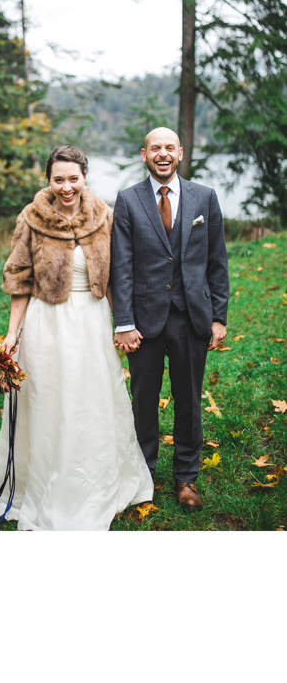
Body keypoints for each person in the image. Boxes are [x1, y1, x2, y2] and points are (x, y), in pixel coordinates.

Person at [0, 145, 153, 529]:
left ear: (84, 178)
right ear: (48, 179)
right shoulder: (30, 218)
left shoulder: (104, 216)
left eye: (73, 179)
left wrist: (123, 323)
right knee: (49, 399)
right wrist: (12, 333)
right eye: (58, 179)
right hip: (47, 321)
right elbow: (20, 280)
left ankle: (95, 480)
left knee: (91, 398)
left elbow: (116, 276)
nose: (66, 187)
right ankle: (44, 481)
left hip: (92, 320)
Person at [110, 127, 229, 511]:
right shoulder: (128, 200)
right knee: (143, 400)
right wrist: (124, 322)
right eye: (155, 148)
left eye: (169, 147)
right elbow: (121, 266)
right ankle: (142, 474)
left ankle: (186, 477)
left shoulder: (204, 197)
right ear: (144, 154)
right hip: (144, 321)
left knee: (189, 400)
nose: (162, 154)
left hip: (192, 317)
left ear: (180, 152)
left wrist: (218, 317)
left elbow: (217, 262)